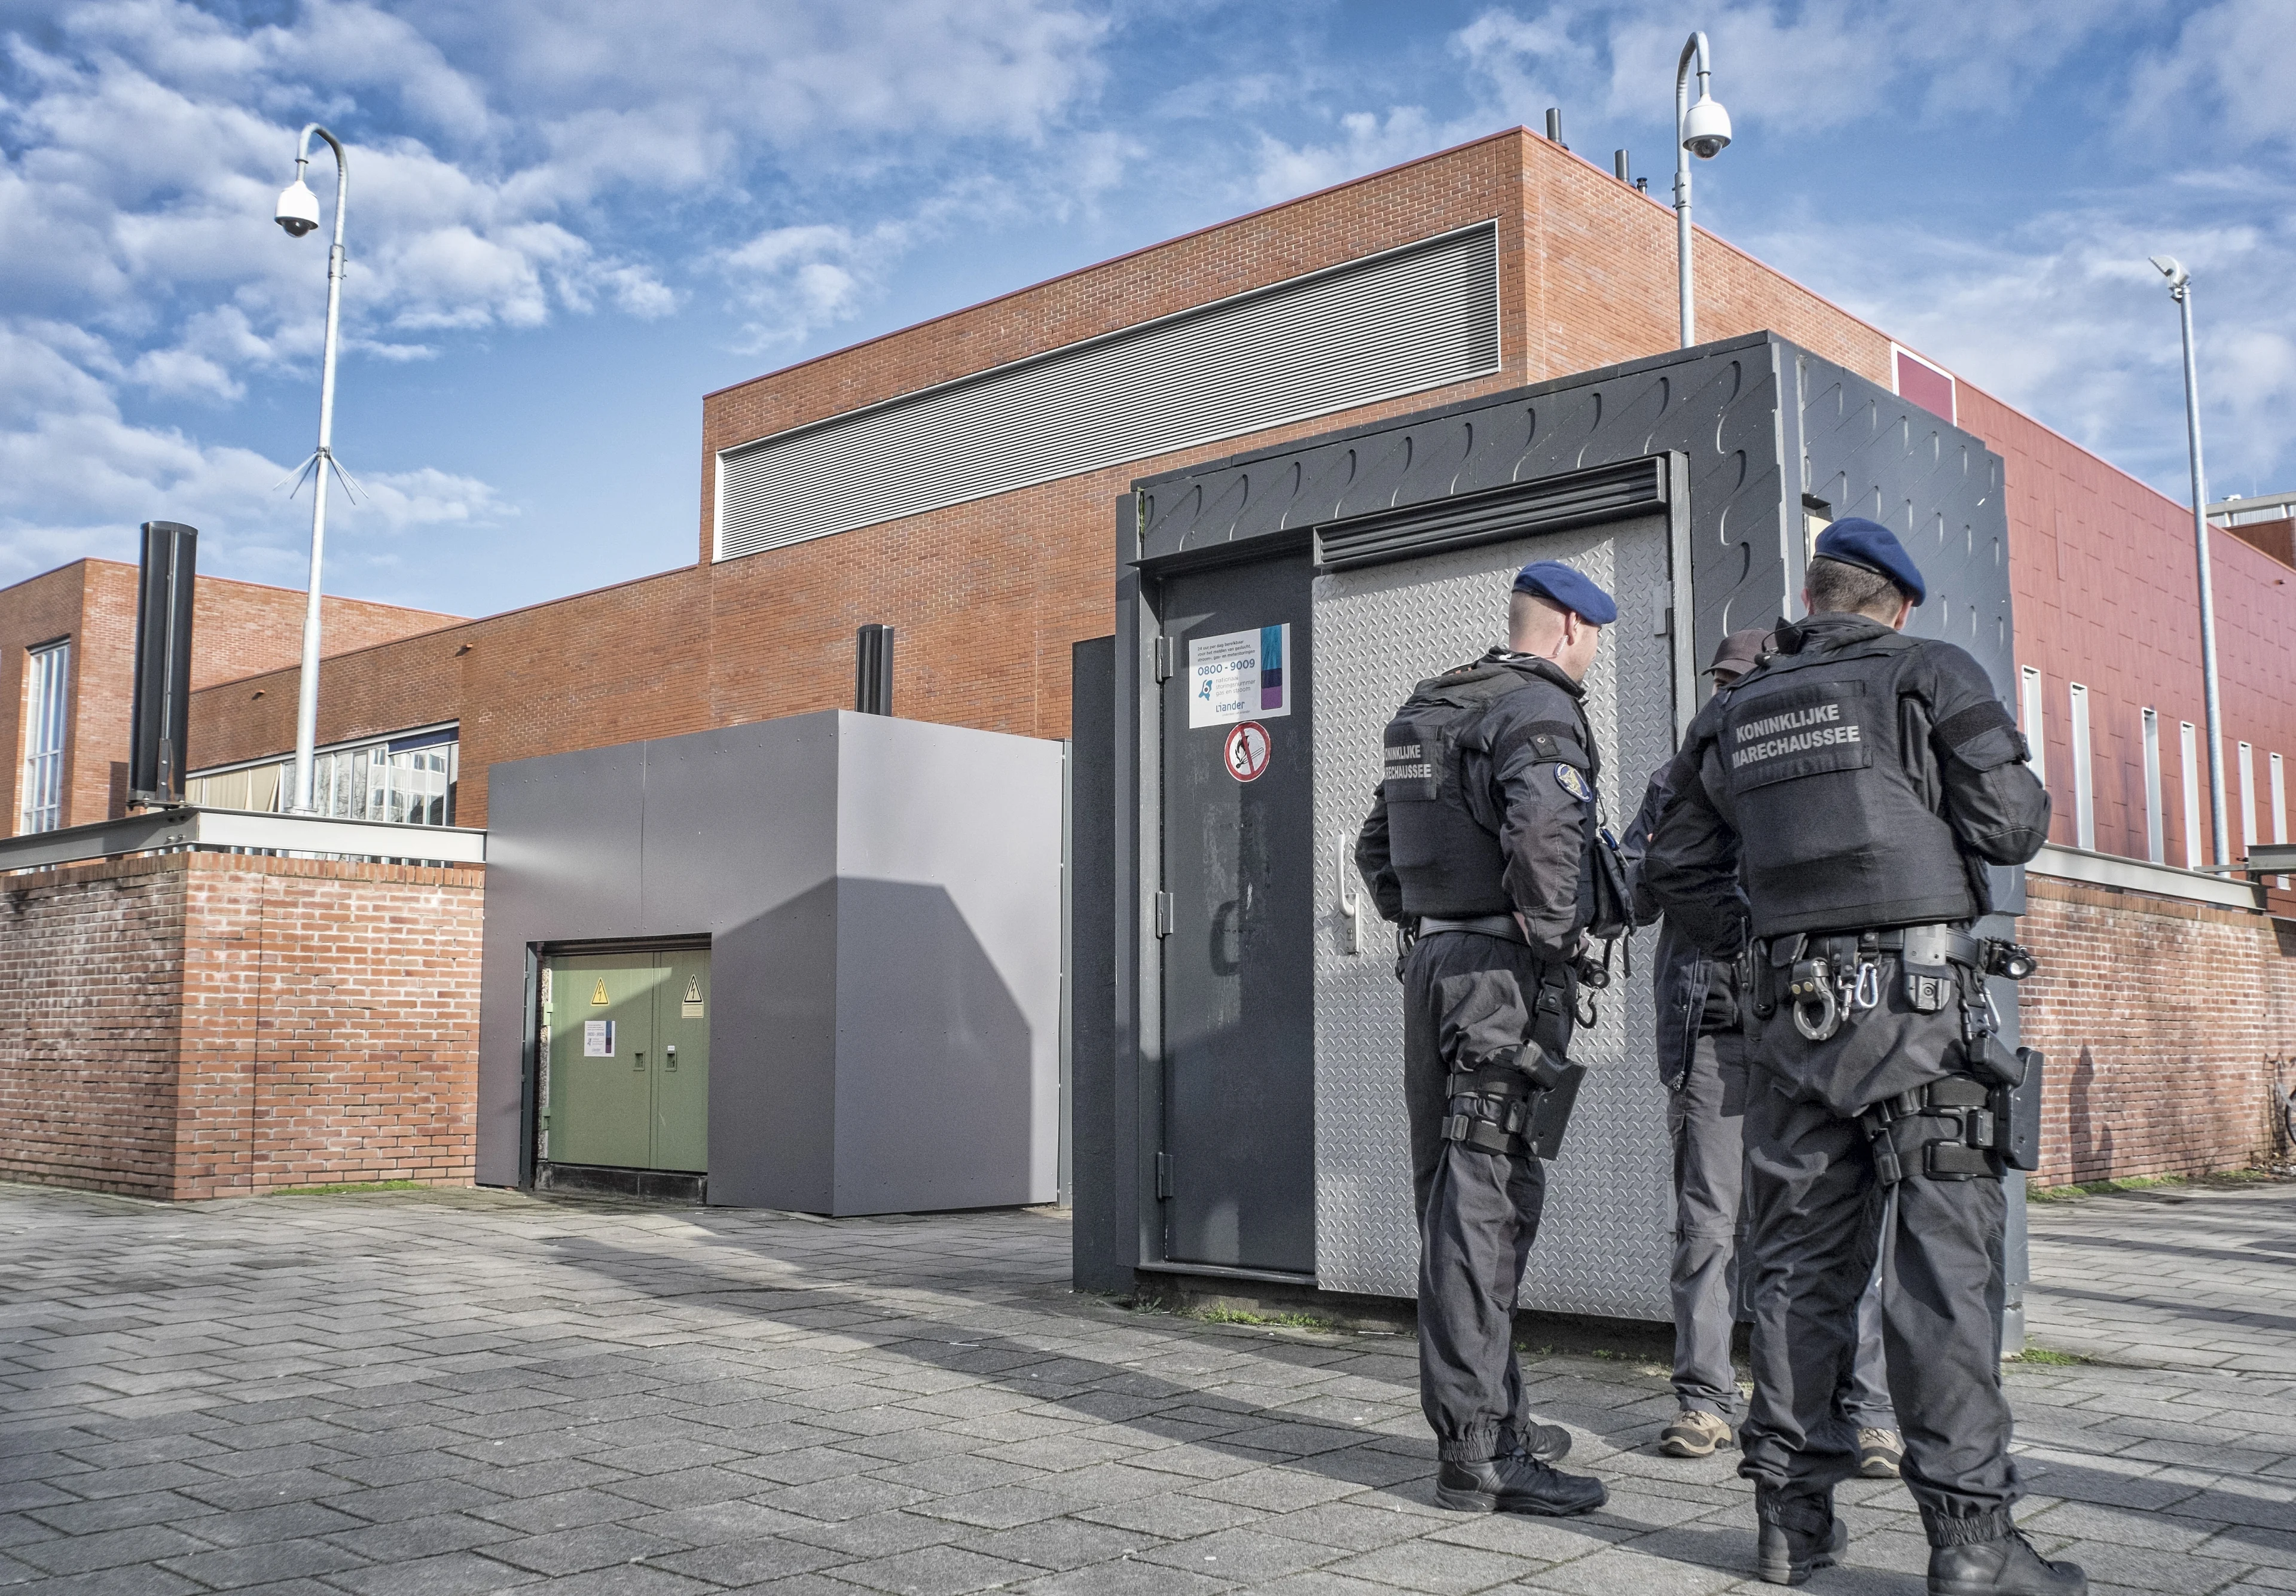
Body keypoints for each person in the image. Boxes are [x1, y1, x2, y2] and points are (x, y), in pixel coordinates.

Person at [1642, 520, 2080, 1595]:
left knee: (1794, 1270)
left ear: (1816, 595)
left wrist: (1762, 940)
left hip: (1790, 1029)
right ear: (1895, 604)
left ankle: (1790, 1526)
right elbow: (2011, 823)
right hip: (1925, 1017)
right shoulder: (1931, 672)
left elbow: (1674, 861)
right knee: (1940, 1275)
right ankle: (1972, 1544)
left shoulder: (1733, 710)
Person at [1354, 559, 1616, 1519]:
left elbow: (1376, 847)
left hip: (1433, 968)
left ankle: (1499, 1416)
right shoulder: (1538, 713)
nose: (1592, 656)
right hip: (1500, 984)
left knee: (1456, 1201)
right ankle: (1479, 1453)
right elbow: (1549, 840)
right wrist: (1549, 949)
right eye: (1593, 640)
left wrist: (1434, 918)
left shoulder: (1432, 703)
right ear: (1567, 630)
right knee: (1486, 1208)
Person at [1625, 631, 1904, 1478]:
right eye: (1718, 683)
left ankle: (1866, 1414)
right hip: (1713, 1033)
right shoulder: (1677, 778)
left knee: (1842, 1224)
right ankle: (1705, 1402)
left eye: (1741, 682)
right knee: (1708, 1226)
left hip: (1812, 1030)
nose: (1728, 698)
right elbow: (1637, 888)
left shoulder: (1813, 768)